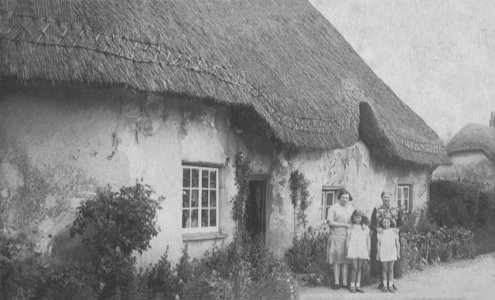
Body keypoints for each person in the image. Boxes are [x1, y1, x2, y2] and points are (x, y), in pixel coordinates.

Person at [370, 191, 402, 290]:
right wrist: (376, 229)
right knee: (380, 256)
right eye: (384, 197)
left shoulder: (396, 209)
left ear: (390, 198)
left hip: (392, 236)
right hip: (380, 235)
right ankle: (382, 282)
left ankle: (391, 282)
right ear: (382, 198)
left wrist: (398, 229)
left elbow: (401, 223)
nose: (386, 199)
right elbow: (371, 223)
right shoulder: (377, 209)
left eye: (388, 197)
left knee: (392, 258)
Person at [326, 188, 355, 290]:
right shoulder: (333, 208)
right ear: (339, 198)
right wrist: (344, 225)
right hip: (336, 236)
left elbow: (355, 221)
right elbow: (330, 222)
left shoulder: (351, 209)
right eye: (343, 197)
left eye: (347, 198)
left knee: (346, 260)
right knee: (337, 260)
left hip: (347, 237)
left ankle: (345, 282)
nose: (345, 199)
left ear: (349, 198)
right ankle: (336, 282)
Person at [346, 209, 370, 293]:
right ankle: (352, 285)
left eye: (359, 218)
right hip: (353, 249)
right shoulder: (351, 227)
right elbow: (348, 239)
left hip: (362, 249)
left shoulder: (365, 228)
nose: (357, 219)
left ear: (362, 218)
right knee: (354, 268)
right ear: (353, 218)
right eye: (355, 218)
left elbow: (367, 240)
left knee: (359, 268)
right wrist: (347, 249)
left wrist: (368, 250)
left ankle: (358, 285)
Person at [377, 217, 400, 293]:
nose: (386, 224)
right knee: (384, 270)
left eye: (387, 222)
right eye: (384, 222)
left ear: (390, 223)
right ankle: (385, 285)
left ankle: (390, 285)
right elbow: (379, 244)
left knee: (391, 270)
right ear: (382, 223)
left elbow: (397, 243)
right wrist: (378, 253)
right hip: (383, 252)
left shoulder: (394, 231)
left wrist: (398, 252)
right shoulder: (380, 232)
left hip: (392, 252)